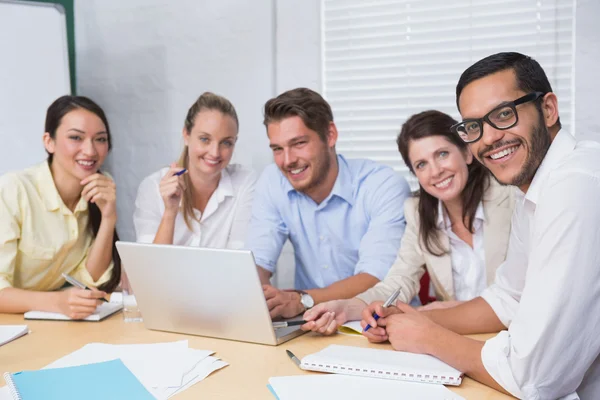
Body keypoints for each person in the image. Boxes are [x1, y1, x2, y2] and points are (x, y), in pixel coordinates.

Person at [362, 52, 600, 399]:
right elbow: (507, 297)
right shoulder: (534, 188)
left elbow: (534, 378)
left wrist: (428, 337)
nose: (488, 138)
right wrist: (409, 320)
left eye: (504, 114)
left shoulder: (574, 184)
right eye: (475, 126)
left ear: (548, 109)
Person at [302, 110, 515, 335]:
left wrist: (453, 310)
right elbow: (399, 282)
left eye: (442, 154)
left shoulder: (510, 197)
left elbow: (529, 292)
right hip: (457, 336)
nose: (435, 171)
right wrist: (346, 307)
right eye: (421, 165)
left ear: (466, 152)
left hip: (516, 335)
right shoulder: (418, 212)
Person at [246, 87, 411, 320]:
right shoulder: (273, 181)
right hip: (312, 324)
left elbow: (376, 276)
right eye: (277, 149)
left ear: (330, 135)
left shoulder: (382, 185)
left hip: (380, 320)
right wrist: (257, 298)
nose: (288, 160)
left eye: (299, 143)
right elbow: (257, 264)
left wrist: (302, 300)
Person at [0, 95, 121, 319]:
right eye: (76, 137)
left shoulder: (97, 191)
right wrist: (55, 302)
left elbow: (90, 279)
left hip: (41, 325)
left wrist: (109, 218)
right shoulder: (13, 189)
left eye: (100, 139)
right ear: (49, 142)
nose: (90, 150)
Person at [134, 92, 256, 249]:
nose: (215, 153)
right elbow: (149, 268)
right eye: (205, 139)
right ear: (186, 135)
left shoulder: (244, 183)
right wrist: (170, 212)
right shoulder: (153, 187)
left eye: (226, 143)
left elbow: (241, 260)